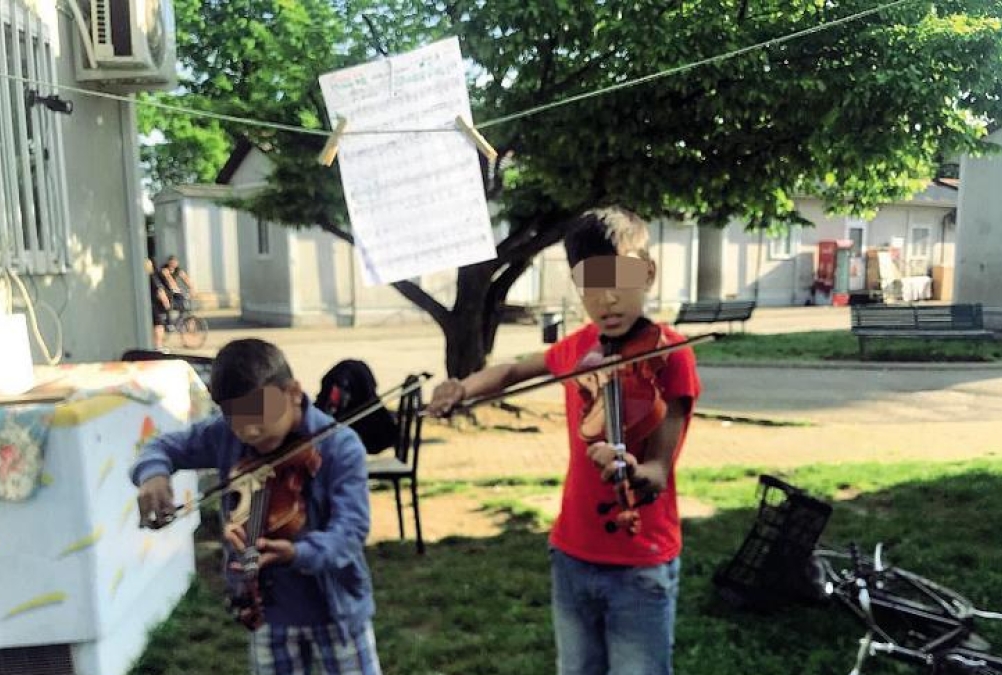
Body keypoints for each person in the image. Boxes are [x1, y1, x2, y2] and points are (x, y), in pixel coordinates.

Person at [426, 206, 701, 675]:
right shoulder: (578, 349)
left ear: (648, 273)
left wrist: (636, 472)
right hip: (572, 554)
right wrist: (463, 388)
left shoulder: (669, 357)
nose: (607, 299)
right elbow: (512, 371)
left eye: (618, 279)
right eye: (589, 285)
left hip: (640, 561)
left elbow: (658, 469)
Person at [131, 339, 381, 675]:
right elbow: (162, 446)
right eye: (236, 418)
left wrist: (298, 553)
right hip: (267, 614)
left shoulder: (339, 446)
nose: (248, 430)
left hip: (336, 613)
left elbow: (350, 533)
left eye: (260, 414)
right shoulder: (226, 437)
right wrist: (154, 474)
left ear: (293, 392)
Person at [145, 258, 171, 350]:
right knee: (159, 326)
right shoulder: (152, 277)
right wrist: (166, 302)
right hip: (155, 306)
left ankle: (156, 345)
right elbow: (159, 291)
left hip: (148, 305)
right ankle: (158, 346)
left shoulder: (143, 278)